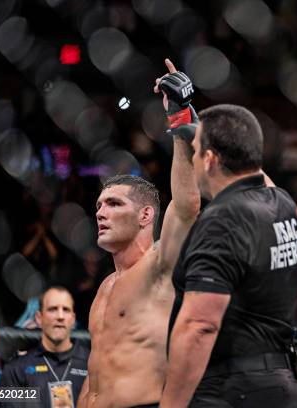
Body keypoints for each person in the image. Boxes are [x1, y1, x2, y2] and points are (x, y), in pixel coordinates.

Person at [158, 85, 297, 405]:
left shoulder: (223, 219)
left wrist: (171, 404)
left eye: (196, 151)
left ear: (209, 159)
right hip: (282, 381)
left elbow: (201, 324)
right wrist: (191, 122)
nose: (193, 158)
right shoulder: (280, 202)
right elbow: (254, 170)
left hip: (231, 391)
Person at [77, 59, 200, 407]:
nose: (101, 212)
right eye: (100, 205)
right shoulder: (106, 285)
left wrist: (180, 121)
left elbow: (187, 205)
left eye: (114, 204)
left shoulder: (160, 266)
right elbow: (96, 369)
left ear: (146, 215)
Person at [0, 287, 90, 408]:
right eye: (52, 309)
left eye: (66, 310)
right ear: (39, 318)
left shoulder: (92, 364)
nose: (60, 316)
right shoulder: (17, 369)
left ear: (73, 319)